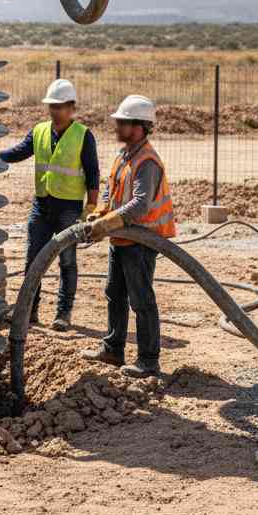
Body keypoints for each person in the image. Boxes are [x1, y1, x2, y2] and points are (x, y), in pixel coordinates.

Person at [0, 78, 99, 330]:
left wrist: (90, 209)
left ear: (71, 108)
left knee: (67, 260)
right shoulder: (39, 131)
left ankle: (63, 314)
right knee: (33, 260)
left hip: (69, 208)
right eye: (52, 107)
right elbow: (18, 153)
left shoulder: (83, 136)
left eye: (60, 107)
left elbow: (93, 174)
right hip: (42, 207)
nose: (55, 112)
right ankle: (28, 312)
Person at [82, 95, 176, 378]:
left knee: (141, 299)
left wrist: (108, 223)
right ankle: (113, 349)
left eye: (123, 123)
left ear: (141, 126)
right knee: (115, 293)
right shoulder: (124, 156)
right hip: (121, 237)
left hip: (141, 241)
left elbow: (141, 204)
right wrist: (100, 214)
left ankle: (148, 361)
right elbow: (110, 192)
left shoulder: (147, 161)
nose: (118, 127)